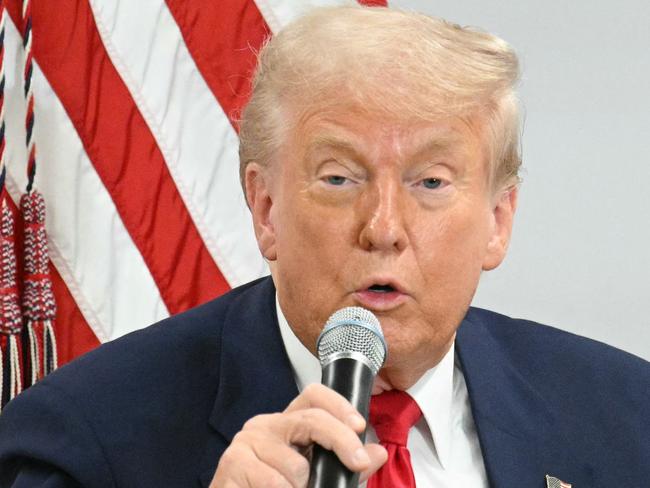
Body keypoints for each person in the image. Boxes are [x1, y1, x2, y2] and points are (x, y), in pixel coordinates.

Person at [1, 5, 649, 488]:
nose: (384, 227)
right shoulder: (82, 444)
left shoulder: (625, 417)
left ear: (498, 220)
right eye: (339, 178)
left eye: (430, 181)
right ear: (266, 209)